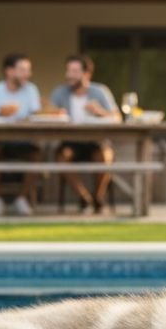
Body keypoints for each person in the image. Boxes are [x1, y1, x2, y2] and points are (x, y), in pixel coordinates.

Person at [49, 54, 121, 213]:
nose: (70, 75)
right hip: (70, 143)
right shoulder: (59, 93)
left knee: (105, 156)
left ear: (86, 74)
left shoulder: (100, 91)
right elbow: (46, 114)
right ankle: (84, 197)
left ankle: (98, 197)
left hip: (96, 141)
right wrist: (54, 114)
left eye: (74, 71)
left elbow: (117, 118)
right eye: (68, 71)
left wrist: (100, 112)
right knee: (62, 157)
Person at [0, 53, 41, 216]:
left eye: (28, 70)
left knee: (37, 156)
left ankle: (22, 199)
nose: (28, 74)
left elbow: (37, 116)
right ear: (9, 71)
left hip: (24, 141)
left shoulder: (31, 90)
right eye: (23, 70)